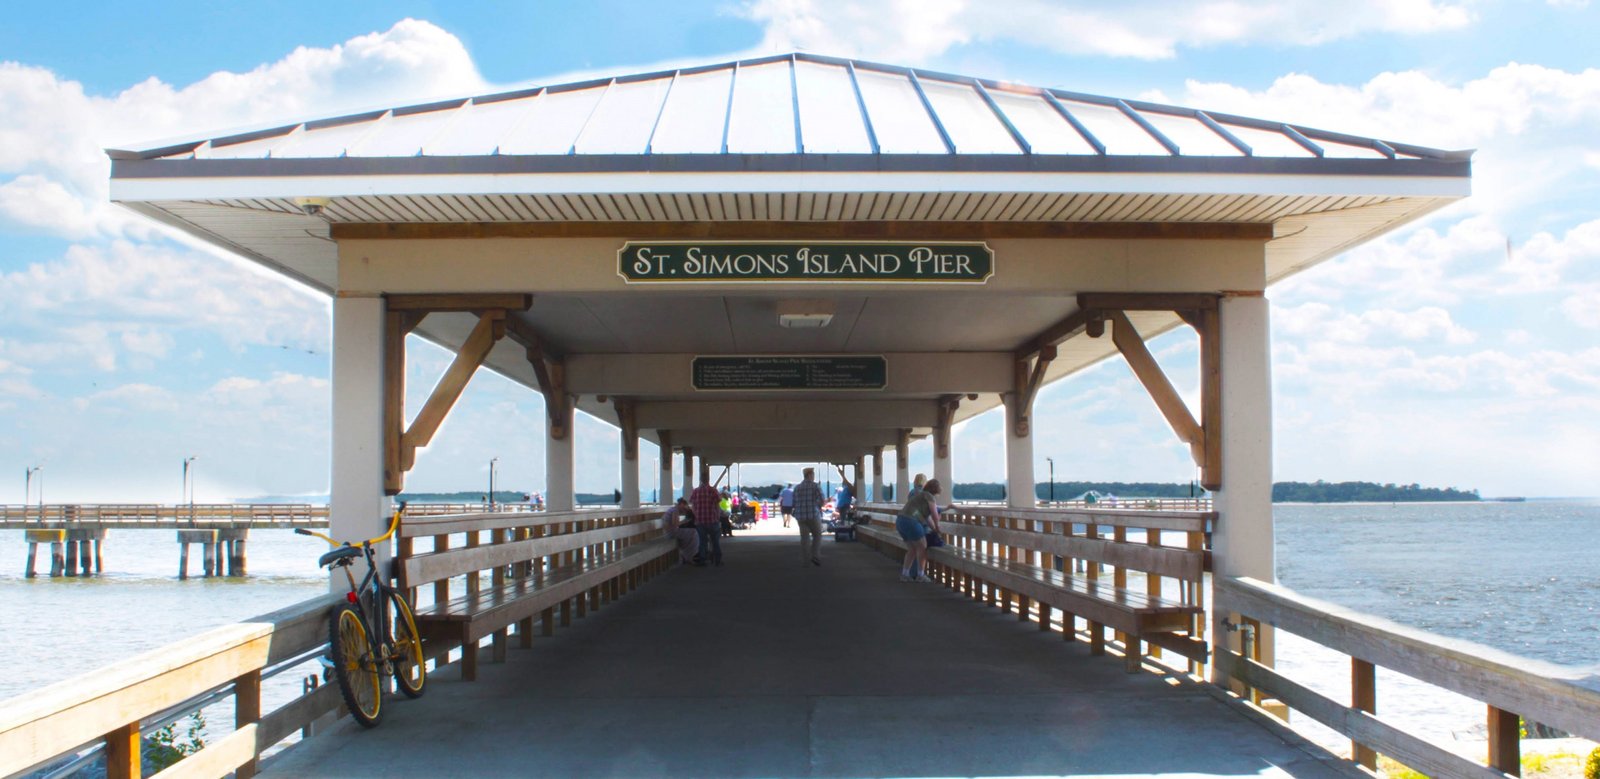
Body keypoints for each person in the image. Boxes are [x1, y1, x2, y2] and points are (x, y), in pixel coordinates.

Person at [895, 478, 943, 582]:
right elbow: (934, 514)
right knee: (923, 546)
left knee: (912, 549)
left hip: (900, 521)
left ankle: (905, 574)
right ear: (935, 489)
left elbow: (926, 518)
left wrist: (934, 528)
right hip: (911, 521)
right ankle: (920, 575)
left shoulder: (920, 496)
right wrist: (938, 526)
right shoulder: (930, 496)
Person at [792, 467, 826, 566]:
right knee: (817, 535)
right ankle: (815, 555)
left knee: (804, 538)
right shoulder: (816, 486)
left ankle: (806, 560)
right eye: (813, 475)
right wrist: (818, 505)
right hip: (813, 515)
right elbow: (822, 500)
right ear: (810, 475)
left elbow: (794, 502)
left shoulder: (797, 487)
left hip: (800, 516)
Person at [690, 476, 723, 566]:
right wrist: (717, 516)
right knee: (715, 541)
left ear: (700, 480)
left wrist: (696, 515)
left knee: (702, 541)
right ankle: (718, 560)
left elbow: (692, 506)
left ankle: (702, 560)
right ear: (708, 480)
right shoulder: (713, 490)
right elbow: (717, 505)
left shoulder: (695, 491)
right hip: (712, 520)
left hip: (700, 521)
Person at [662, 498, 701, 565]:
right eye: (684, 506)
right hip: (671, 533)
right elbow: (675, 524)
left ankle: (686, 555)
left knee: (689, 537)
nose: (684, 508)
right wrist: (685, 521)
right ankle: (688, 556)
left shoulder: (673, 509)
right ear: (681, 504)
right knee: (694, 533)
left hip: (668, 532)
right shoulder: (675, 510)